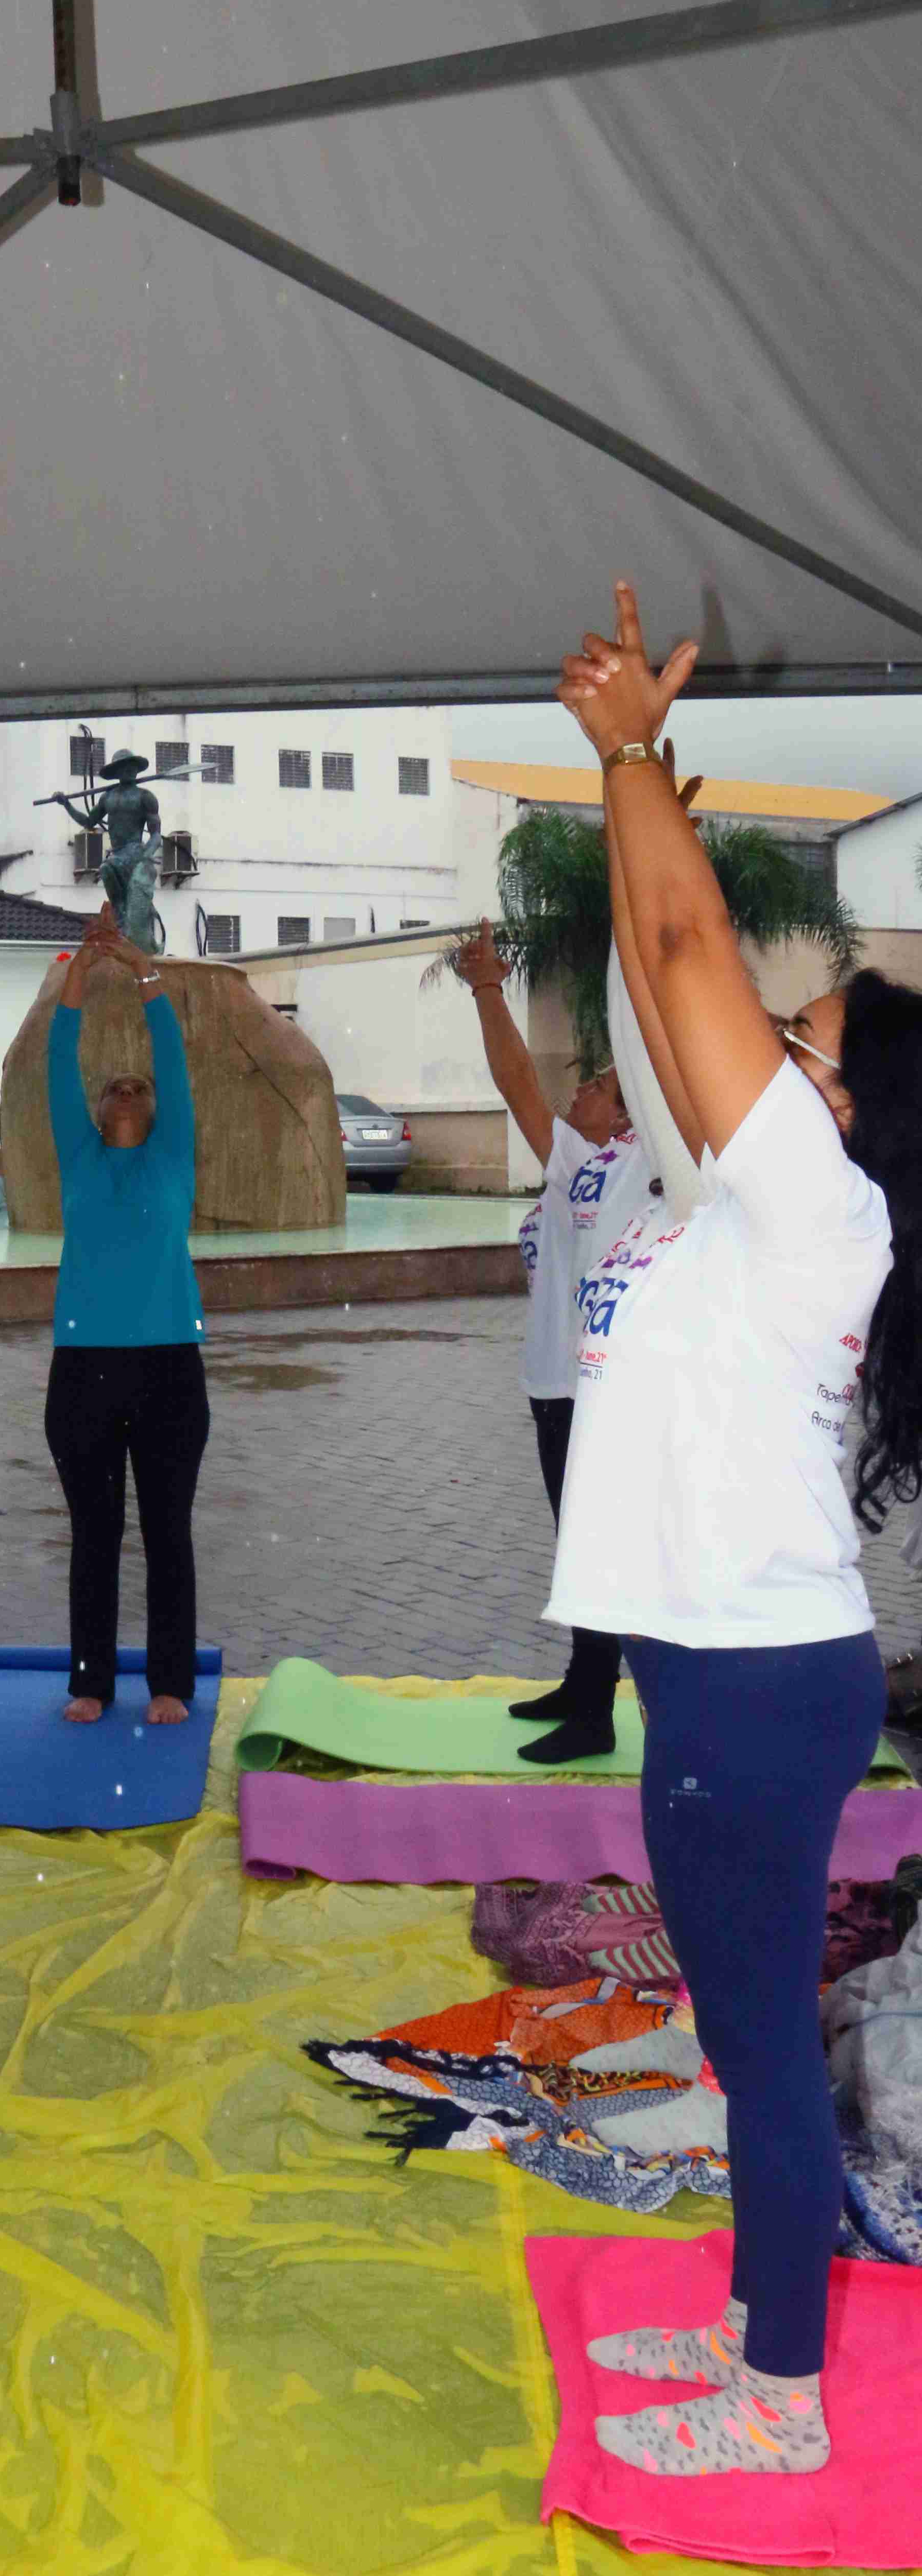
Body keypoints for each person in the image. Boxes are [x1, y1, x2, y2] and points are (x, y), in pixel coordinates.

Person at [548, 579, 922, 2478]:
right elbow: (653, 955)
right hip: (736, 1664)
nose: (774, 1036)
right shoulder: (773, 1191)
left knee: (758, 2051)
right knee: (745, 2038)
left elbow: (686, 943)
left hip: (750, 1681)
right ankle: (752, 2314)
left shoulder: (816, 1210)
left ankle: (775, 2396)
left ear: (854, 1111)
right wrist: (626, 789)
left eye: (812, 1030)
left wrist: (628, 763)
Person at [453, 919, 656, 1764]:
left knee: (597, 1542)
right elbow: (515, 1084)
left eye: (600, 1087)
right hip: (552, 1385)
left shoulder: (652, 1167)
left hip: (604, 1390)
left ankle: (596, 1715)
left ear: (628, 1115)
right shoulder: (579, 1161)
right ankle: (582, 1684)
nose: (580, 1091)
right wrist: (487, 991)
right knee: (575, 1539)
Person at [45, 904, 207, 1725]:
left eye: (137, 1085)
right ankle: (91, 1681)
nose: (127, 1087)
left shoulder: (174, 1153)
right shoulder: (78, 1153)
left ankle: (171, 1683)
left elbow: (171, 1065)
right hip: (83, 1370)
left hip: (170, 1364)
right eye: (116, 1083)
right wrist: (78, 980)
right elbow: (56, 1065)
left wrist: (145, 977)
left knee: (167, 1530)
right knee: (96, 1534)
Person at [56, 754, 163, 952]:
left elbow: (157, 835)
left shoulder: (145, 797)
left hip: (135, 850)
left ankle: (136, 929)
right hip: (118, 852)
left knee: (112, 870)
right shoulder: (108, 798)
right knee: (107, 870)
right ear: (117, 772)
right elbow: (89, 822)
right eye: (124, 767)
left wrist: (146, 854)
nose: (129, 770)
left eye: (132, 767)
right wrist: (67, 805)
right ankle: (121, 921)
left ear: (137, 770)